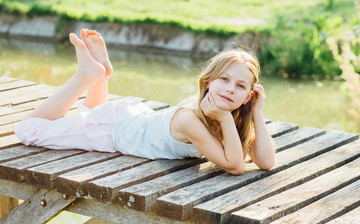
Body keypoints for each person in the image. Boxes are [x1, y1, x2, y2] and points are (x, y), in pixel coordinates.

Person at [13, 29, 275, 175]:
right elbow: (235, 166)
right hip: (114, 131)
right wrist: (226, 118)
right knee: (30, 130)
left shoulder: (232, 114)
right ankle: (86, 75)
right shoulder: (192, 118)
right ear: (208, 82)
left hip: (131, 120)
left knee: (91, 113)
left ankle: (101, 74)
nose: (230, 89)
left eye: (240, 86)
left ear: (249, 96)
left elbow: (265, 162)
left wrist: (257, 114)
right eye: (224, 80)